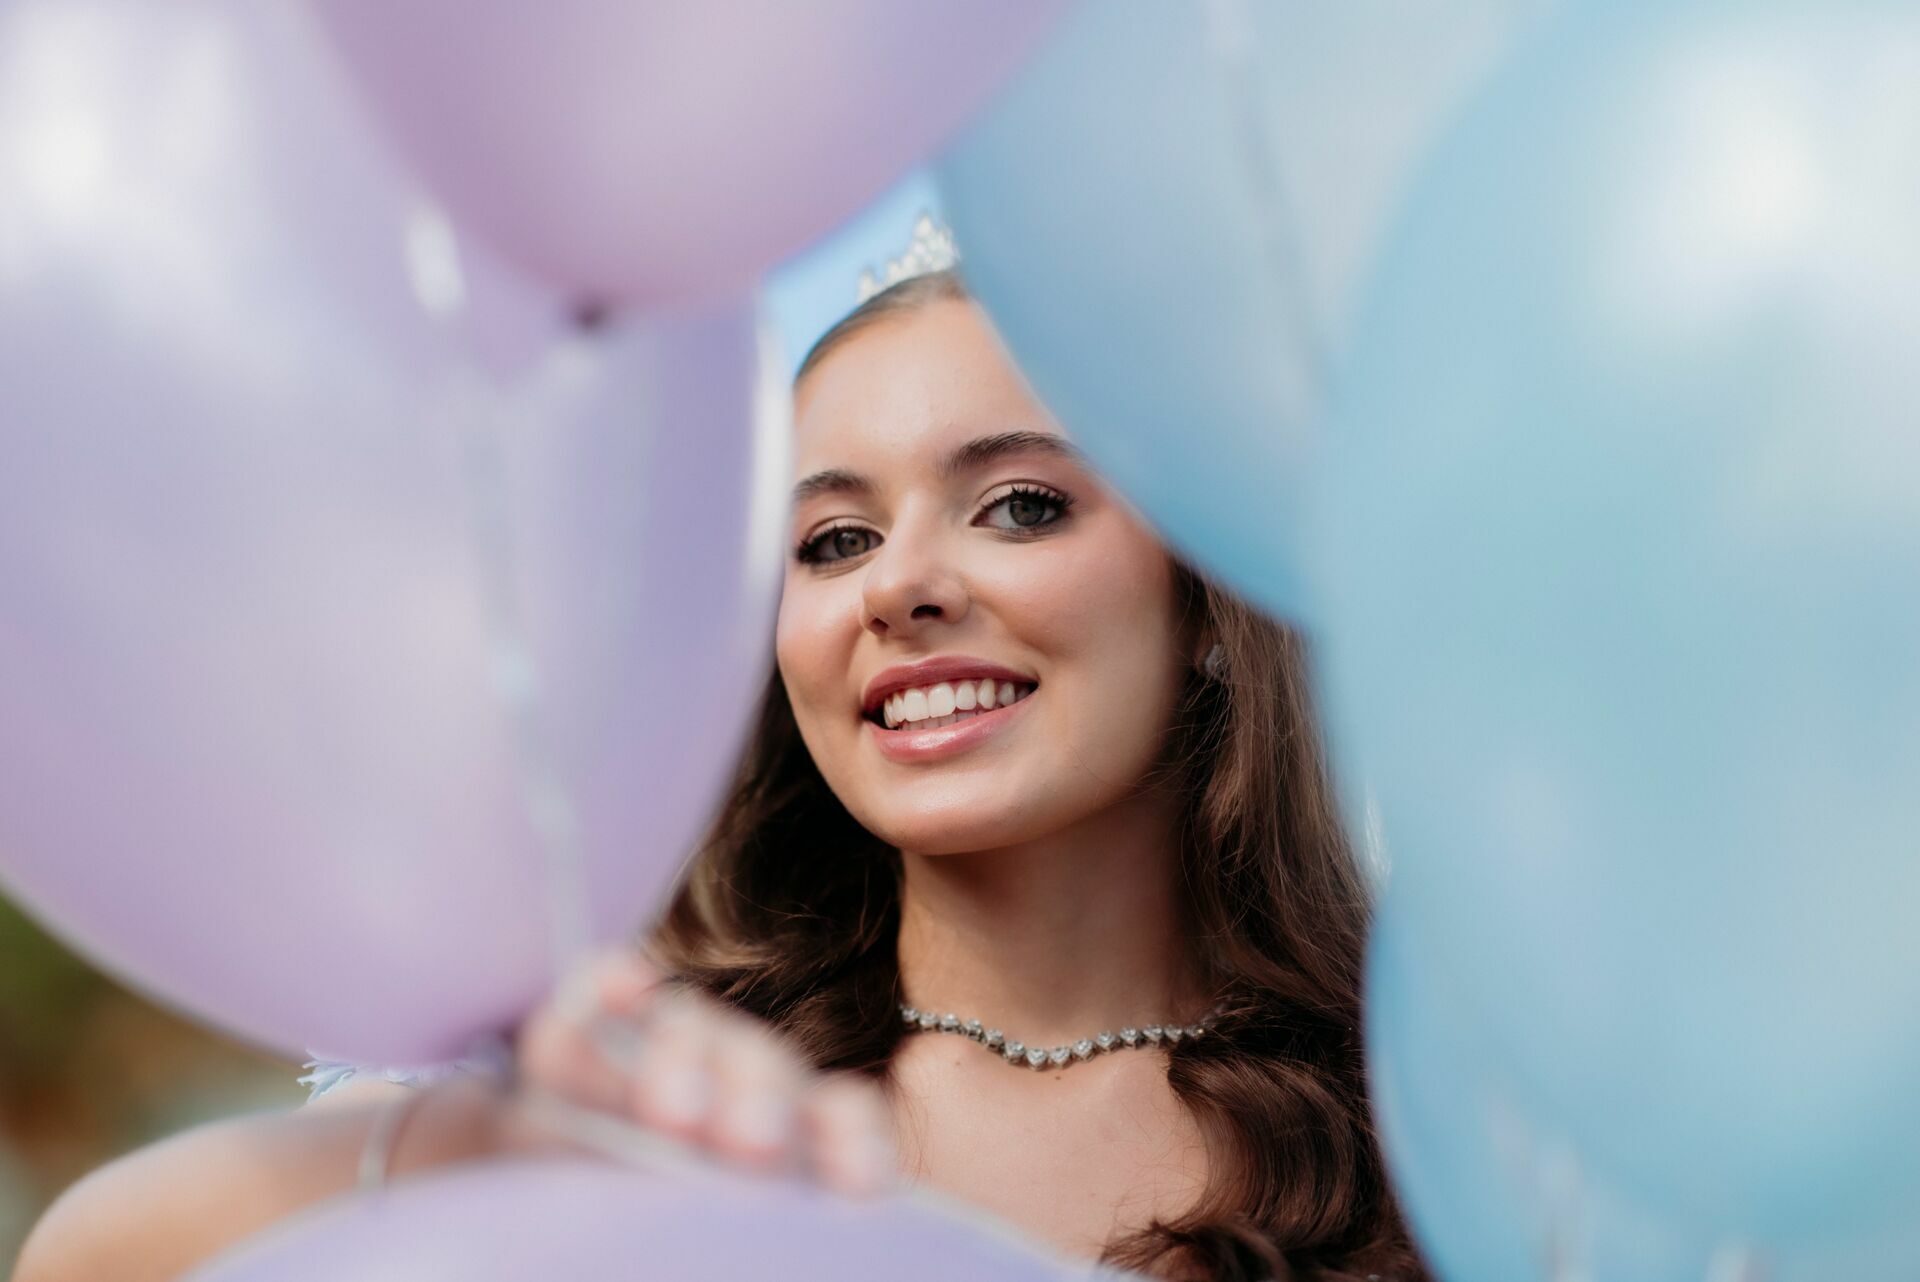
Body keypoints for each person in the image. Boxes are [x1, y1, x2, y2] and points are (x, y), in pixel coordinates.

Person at [16, 261, 1422, 1282]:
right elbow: (87, 1259)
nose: (902, 587)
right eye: (831, 540)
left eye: (1021, 505)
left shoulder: (1422, 1119)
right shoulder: (658, 1094)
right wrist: (481, 1155)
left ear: (1208, 602)